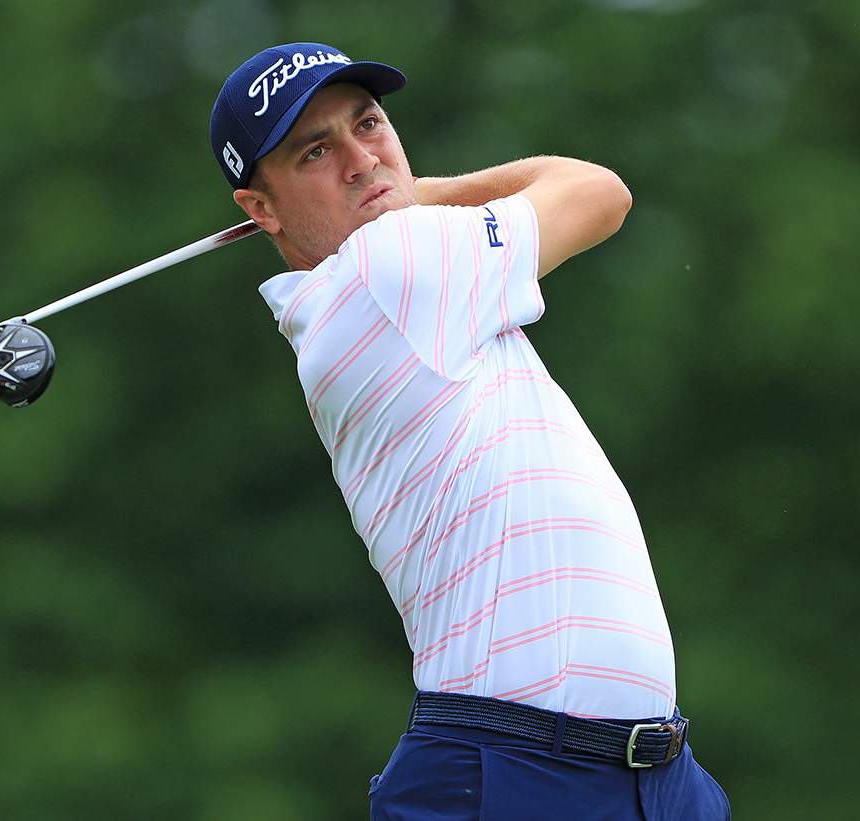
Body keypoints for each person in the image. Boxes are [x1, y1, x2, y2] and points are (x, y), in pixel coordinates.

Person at [209, 42, 730, 820]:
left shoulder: (388, 281)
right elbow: (599, 192)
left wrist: (397, 195)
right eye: (316, 151)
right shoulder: (392, 264)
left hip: (647, 774)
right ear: (262, 210)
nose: (361, 160)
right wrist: (422, 193)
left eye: (368, 124)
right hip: (515, 770)